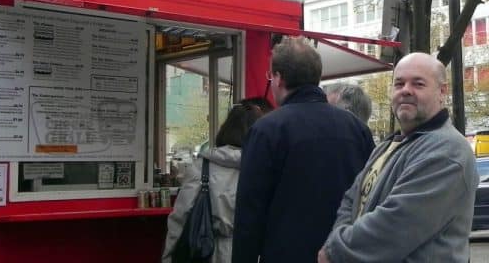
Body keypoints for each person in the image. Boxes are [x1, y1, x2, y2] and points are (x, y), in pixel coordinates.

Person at [318, 52, 480, 263]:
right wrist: (336, 245)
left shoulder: (448, 151)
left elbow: (395, 225)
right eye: (399, 83)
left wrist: (334, 252)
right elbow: (351, 200)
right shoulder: (387, 146)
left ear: (442, 92)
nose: (406, 91)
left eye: (418, 84)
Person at [232, 37, 375, 263]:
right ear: (317, 78)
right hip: (344, 254)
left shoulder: (266, 130)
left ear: (278, 79)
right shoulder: (358, 130)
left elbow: (249, 214)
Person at [162, 97, 273, 263]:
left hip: (210, 252)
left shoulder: (201, 167)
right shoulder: (268, 169)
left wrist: (168, 257)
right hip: (255, 252)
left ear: (226, 129)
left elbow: (180, 218)